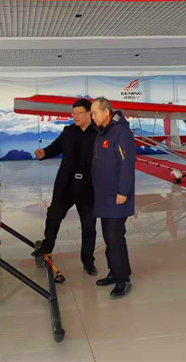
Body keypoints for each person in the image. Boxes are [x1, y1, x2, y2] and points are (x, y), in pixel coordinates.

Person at [31, 98, 98, 276]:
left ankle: (88, 261)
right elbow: (56, 147)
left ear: (89, 113)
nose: (75, 116)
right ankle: (47, 246)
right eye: (73, 114)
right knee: (54, 215)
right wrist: (44, 152)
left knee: (89, 226)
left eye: (79, 113)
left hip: (89, 187)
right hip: (66, 184)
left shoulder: (99, 133)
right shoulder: (69, 131)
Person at [90, 97, 135, 298]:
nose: (92, 116)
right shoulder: (103, 132)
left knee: (115, 237)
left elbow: (127, 164)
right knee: (108, 237)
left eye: (95, 112)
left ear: (106, 112)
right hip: (104, 195)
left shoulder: (121, 132)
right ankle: (114, 271)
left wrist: (123, 191)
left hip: (117, 196)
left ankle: (123, 278)